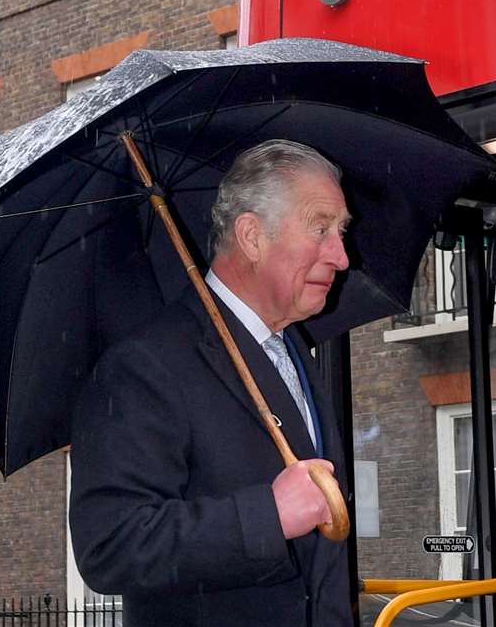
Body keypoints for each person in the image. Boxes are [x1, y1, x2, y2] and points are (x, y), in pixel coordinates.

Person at [69, 139, 354, 627]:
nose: (341, 256)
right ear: (251, 236)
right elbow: (111, 544)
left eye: (340, 232)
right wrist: (268, 515)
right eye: (321, 228)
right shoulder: (144, 365)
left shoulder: (296, 354)